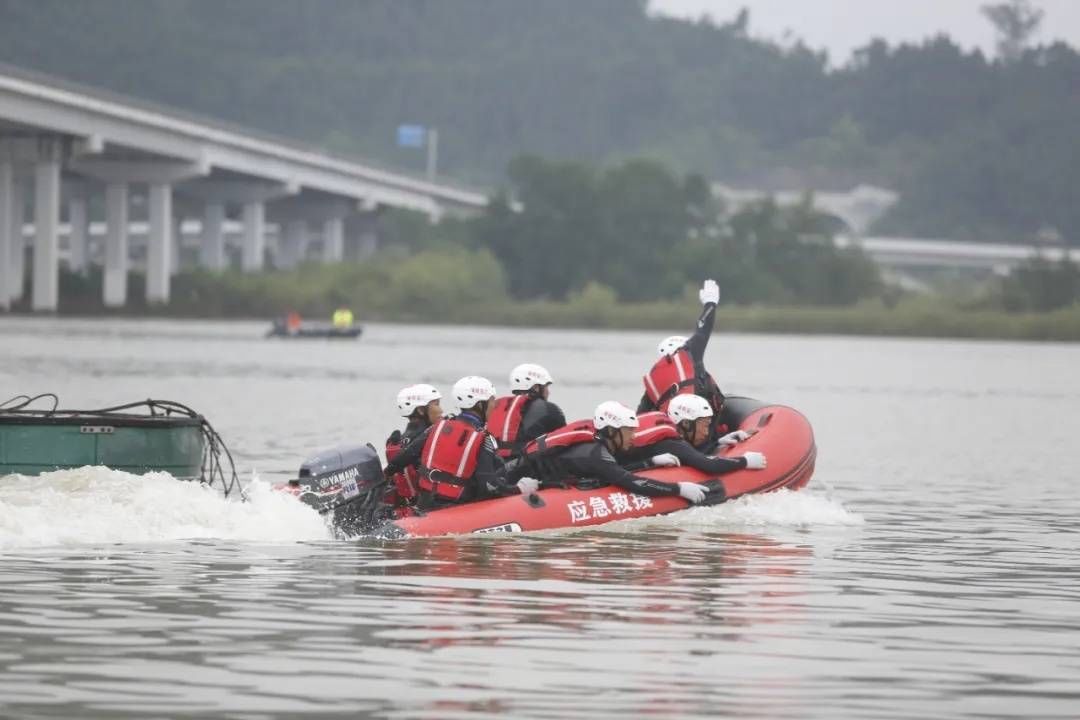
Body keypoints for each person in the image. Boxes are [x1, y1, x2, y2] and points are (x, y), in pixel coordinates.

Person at [507, 401, 711, 504]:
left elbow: (612, 471)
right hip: (512, 476)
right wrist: (678, 489)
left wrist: (649, 463)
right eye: (628, 432)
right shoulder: (595, 452)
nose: (633, 437)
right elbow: (633, 482)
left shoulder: (598, 446)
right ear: (612, 431)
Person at [416, 376, 535, 510]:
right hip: (454, 508)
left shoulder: (438, 427)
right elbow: (489, 487)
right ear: (479, 405)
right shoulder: (484, 438)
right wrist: (519, 489)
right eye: (491, 401)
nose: (494, 405)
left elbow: (400, 460)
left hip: (424, 503)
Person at [638, 278, 729, 440]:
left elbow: (640, 418)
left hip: (678, 440)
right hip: (698, 441)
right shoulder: (690, 357)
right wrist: (710, 303)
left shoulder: (657, 383)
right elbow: (702, 331)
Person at [617, 397, 766, 474]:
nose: (706, 432)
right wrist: (745, 461)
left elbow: (692, 454)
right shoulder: (671, 443)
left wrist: (718, 443)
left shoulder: (666, 428)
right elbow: (710, 466)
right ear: (686, 424)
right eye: (703, 425)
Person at [486, 363, 567, 459]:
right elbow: (565, 441)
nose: (548, 392)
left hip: (494, 462)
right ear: (536, 388)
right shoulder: (549, 409)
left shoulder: (495, 406)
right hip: (524, 466)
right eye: (546, 387)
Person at [384, 384, 443, 507]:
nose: (441, 410)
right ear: (421, 410)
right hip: (429, 503)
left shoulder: (399, 439)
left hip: (410, 504)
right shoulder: (430, 437)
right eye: (436, 404)